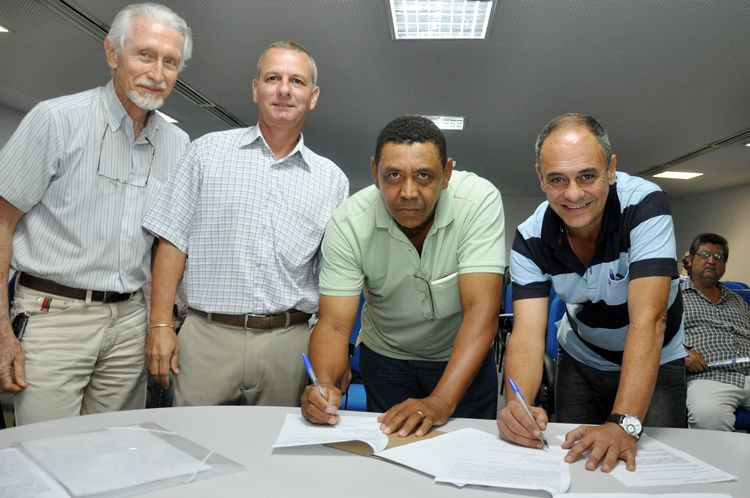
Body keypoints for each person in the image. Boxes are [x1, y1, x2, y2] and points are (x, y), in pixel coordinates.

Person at [0, 3, 192, 424]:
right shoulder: (56, 120)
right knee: (45, 451)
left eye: (170, 62)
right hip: (53, 314)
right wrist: (1, 332)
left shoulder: (178, 144)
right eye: (144, 54)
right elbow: (2, 223)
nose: (157, 73)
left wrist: (159, 324)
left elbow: (168, 242)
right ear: (112, 54)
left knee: (113, 450)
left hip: (129, 322)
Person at [142, 41, 349, 407]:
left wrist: (335, 357)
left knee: (277, 442)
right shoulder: (206, 152)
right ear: (255, 89)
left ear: (313, 96)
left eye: (297, 81)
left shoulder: (332, 180)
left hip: (289, 344)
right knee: (193, 440)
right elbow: (171, 241)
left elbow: (331, 277)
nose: (284, 90)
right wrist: (160, 325)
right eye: (273, 78)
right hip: (207, 338)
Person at [497, 113, 686, 472]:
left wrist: (624, 422)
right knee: (576, 464)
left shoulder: (645, 205)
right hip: (581, 360)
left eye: (587, 176)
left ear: (611, 169)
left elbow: (650, 320)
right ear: (540, 177)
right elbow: (527, 335)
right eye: (557, 179)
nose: (573, 194)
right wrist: (516, 407)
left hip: (656, 360)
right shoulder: (529, 237)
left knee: (655, 472)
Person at [301, 115, 505, 437]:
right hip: (386, 359)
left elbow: (481, 310)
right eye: (393, 175)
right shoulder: (349, 222)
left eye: (424, 175)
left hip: (461, 356)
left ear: (447, 174)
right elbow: (334, 324)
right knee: (390, 453)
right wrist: (323, 387)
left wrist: (440, 400)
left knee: (467, 453)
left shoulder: (479, 201)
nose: (408, 192)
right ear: (375, 173)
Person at [681, 233, 750, 431]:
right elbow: (654, 334)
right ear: (690, 260)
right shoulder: (673, 297)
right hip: (710, 377)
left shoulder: (738, 300)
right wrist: (680, 353)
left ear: (724, 264)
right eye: (704, 255)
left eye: (719, 257)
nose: (711, 261)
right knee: (708, 415)